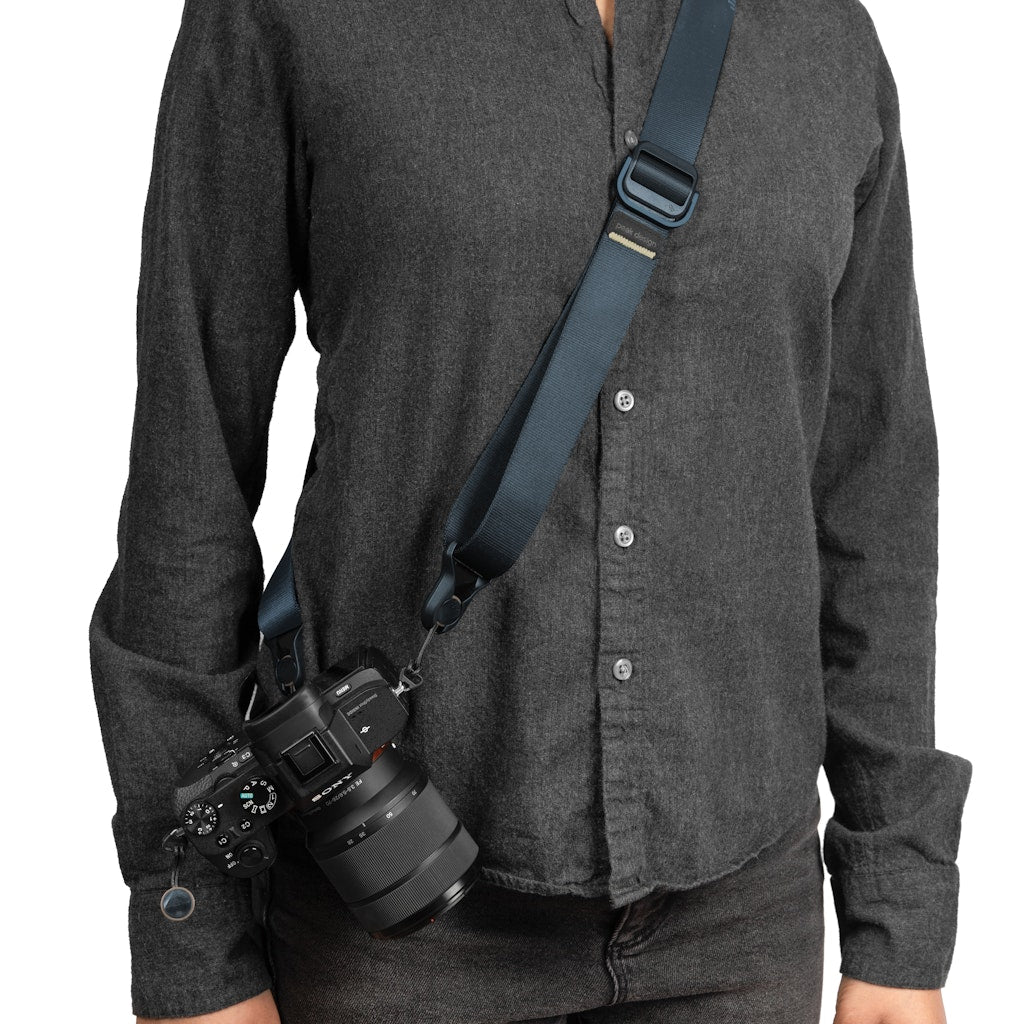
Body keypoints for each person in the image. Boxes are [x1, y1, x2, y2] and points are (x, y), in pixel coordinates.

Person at [88, 1, 973, 1022]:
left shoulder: (825, 36)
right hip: (389, 918)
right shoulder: (285, 16)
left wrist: (897, 911)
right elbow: (189, 472)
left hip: (742, 924)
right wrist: (192, 935)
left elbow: (872, 496)